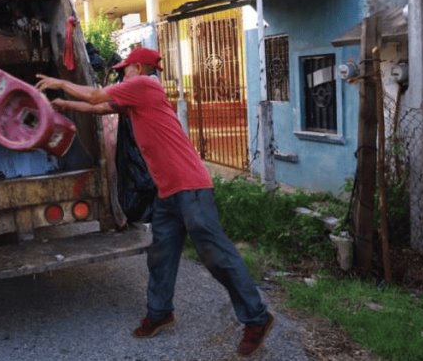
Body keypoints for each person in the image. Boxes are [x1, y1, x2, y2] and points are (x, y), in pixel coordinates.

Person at [36, 46, 274, 357]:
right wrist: (66, 103)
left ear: (138, 68)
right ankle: (160, 313)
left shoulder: (145, 86)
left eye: (126, 68)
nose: (122, 73)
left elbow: (96, 96)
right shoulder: (136, 101)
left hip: (190, 187)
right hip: (167, 193)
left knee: (216, 254)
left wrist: (61, 83)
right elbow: (100, 108)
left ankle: (257, 318)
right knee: (160, 254)